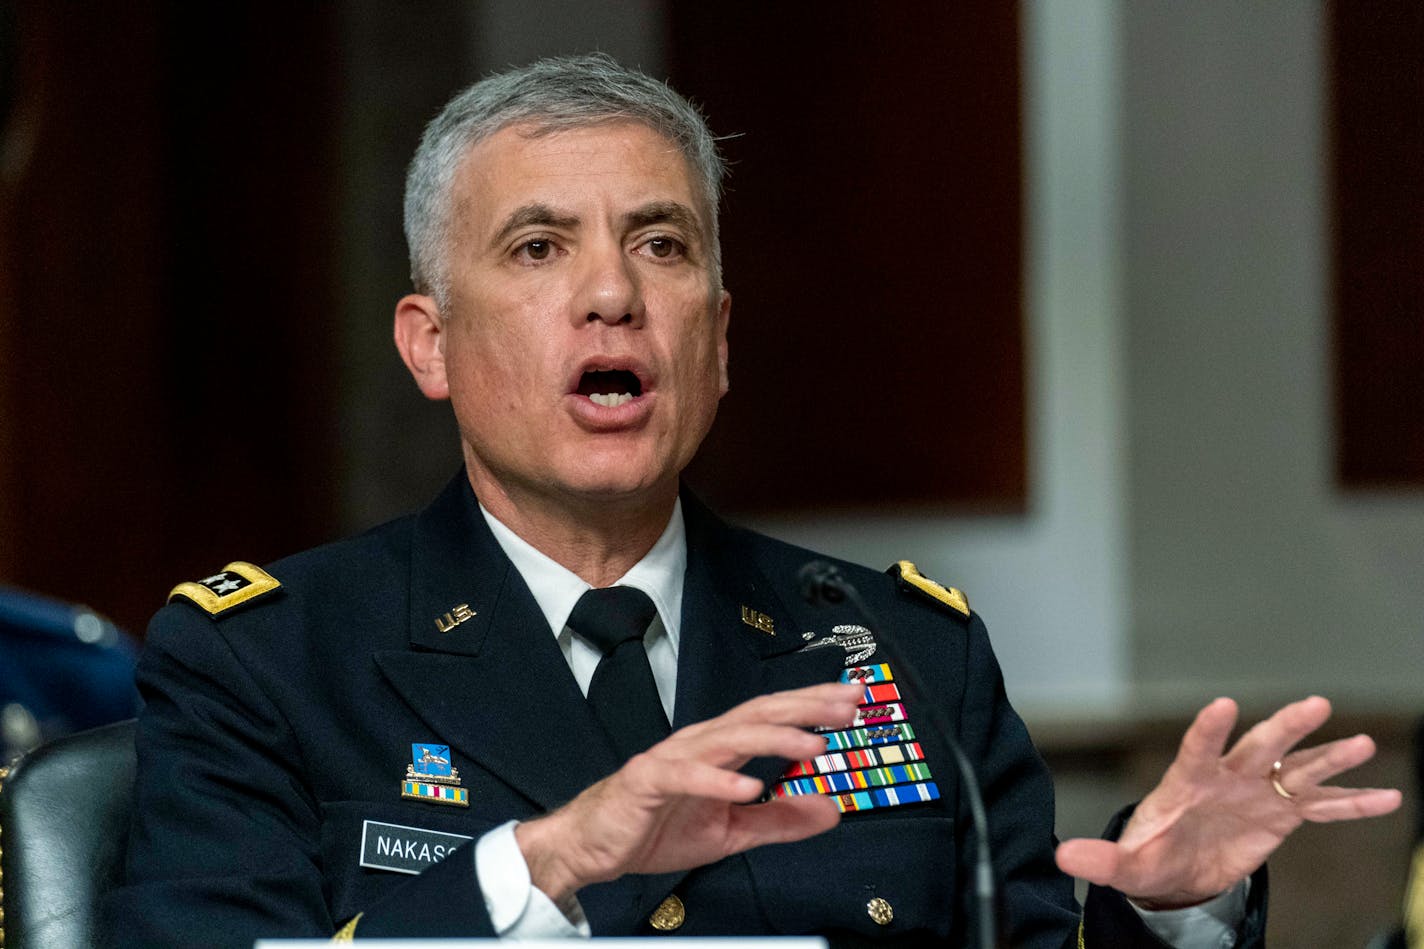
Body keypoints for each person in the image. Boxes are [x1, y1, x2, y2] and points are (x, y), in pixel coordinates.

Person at [107, 54, 1400, 947]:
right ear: (427, 343)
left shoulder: (900, 648)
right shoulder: (266, 660)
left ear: (716, 341)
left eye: (661, 245)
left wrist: (1164, 911)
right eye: (540, 247)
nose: (613, 294)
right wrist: (548, 859)